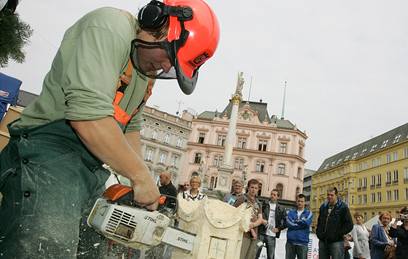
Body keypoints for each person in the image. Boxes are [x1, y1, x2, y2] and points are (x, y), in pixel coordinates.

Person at [0, 0, 219, 257]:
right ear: (156, 22)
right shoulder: (109, 28)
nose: (168, 67)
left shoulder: (144, 70)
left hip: (91, 168)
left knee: (93, 249)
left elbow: (130, 128)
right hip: (46, 152)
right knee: (48, 246)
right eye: (171, 56)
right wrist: (140, 176)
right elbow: (87, 116)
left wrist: (136, 186)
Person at [317, 187, 354, 259]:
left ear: (336, 195)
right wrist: (319, 233)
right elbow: (319, 221)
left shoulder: (343, 207)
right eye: (328, 195)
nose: (329, 197)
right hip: (323, 241)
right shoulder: (323, 207)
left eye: (331, 195)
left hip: (336, 242)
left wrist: (338, 234)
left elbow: (349, 225)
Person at [240, 179, 267, 259]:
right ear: (248, 187)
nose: (253, 190)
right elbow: (237, 215)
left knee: (250, 257)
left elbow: (260, 219)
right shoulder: (242, 199)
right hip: (243, 234)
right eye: (252, 187)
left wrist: (253, 225)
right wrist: (250, 228)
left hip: (254, 235)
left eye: (256, 188)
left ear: (258, 189)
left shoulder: (258, 203)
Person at [255, 189, 285, 259]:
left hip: (271, 236)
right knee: (256, 253)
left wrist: (279, 228)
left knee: (270, 256)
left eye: (274, 195)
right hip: (261, 234)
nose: (272, 196)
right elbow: (257, 214)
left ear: (278, 197)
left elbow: (285, 221)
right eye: (271, 194)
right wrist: (261, 220)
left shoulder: (281, 208)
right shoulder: (264, 204)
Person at [285, 194, 313, 259]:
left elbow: (307, 223)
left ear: (305, 202)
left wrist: (295, 222)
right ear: (296, 201)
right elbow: (289, 223)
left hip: (302, 243)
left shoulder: (309, 213)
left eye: (302, 201)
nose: (300, 203)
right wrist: (301, 223)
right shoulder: (290, 212)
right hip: (290, 242)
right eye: (298, 201)